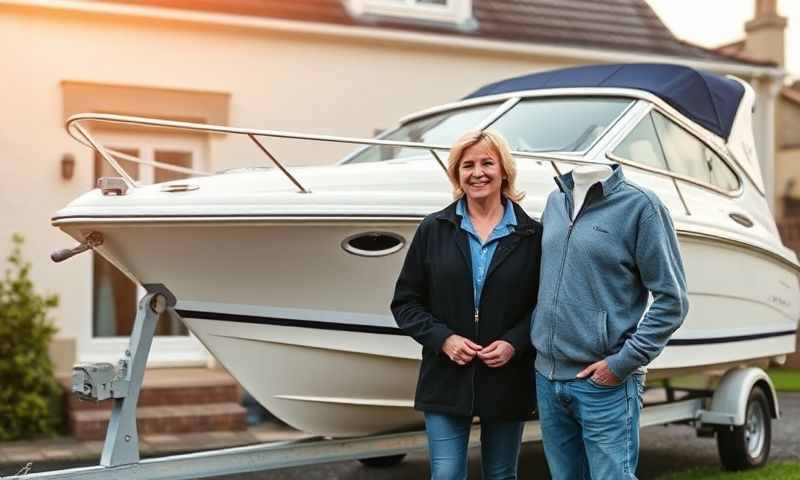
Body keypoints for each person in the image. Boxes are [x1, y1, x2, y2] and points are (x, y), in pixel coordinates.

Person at [391, 130, 542, 480]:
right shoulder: (434, 228)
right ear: (457, 174)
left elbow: (543, 306)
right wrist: (444, 339)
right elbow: (406, 302)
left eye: (487, 163)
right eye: (467, 165)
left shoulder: (531, 235)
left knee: (502, 474)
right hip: (445, 376)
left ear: (504, 170)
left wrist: (514, 343)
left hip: (508, 376)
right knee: (446, 475)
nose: (478, 172)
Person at [531, 163, 689, 479]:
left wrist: (621, 364)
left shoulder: (641, 207)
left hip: (603, 384)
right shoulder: (554, 201)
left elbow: (673, 301)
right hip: (547, 379)